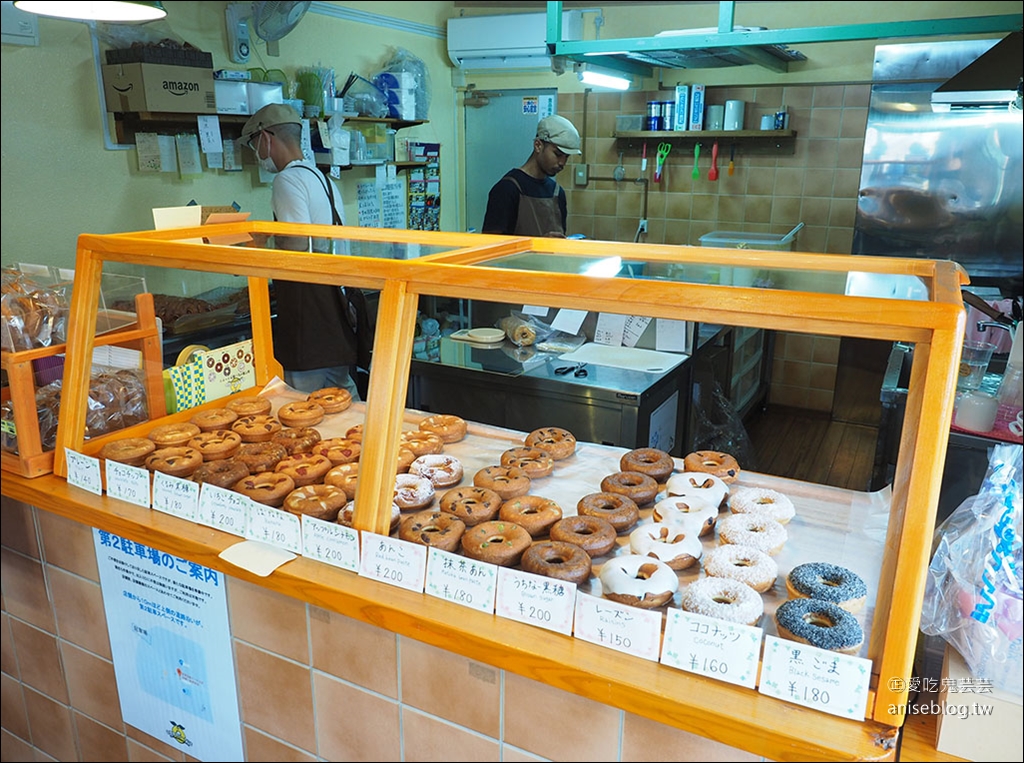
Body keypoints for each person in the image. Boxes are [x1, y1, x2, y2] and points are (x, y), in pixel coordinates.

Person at [241, 103, 371, 399]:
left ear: (266, 138)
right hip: (335, 309)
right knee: (343, 400)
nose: (256, 152)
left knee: (302, 404)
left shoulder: (286, 180)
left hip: (308, 313)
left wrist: (258, 243)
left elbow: (297, 243)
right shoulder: (323, 179)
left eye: (253, 144)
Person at [481, 114, 581, 237]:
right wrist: (538, 245)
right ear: (538, 145)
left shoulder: (557, 193)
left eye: (567, 157)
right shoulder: (507, 190)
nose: (562, 162)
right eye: (558, 154)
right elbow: (491, 247)